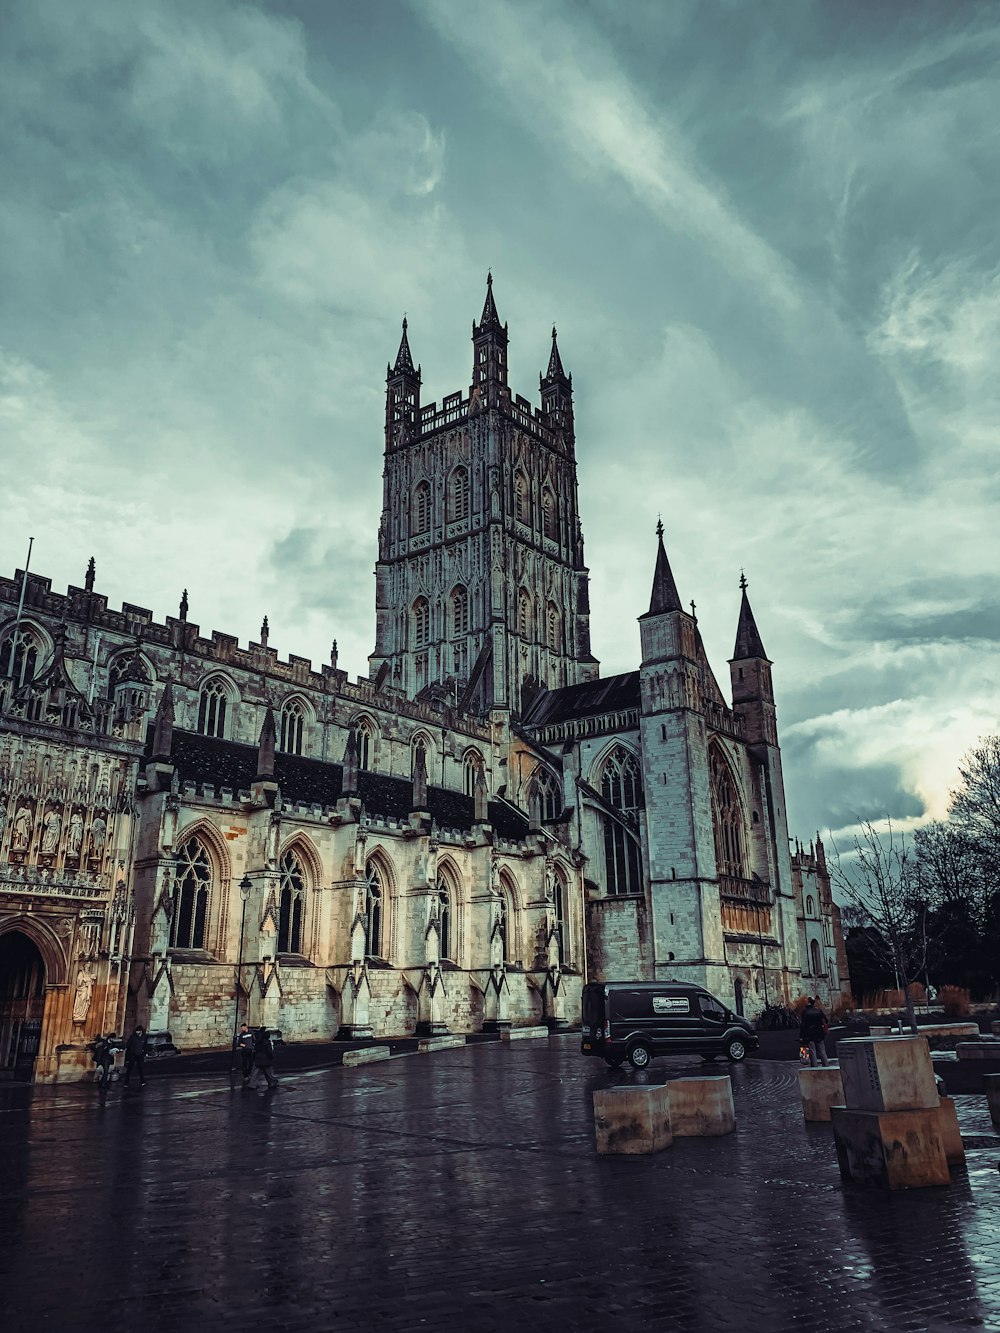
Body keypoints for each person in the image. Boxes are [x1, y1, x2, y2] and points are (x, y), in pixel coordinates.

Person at [799, 997, 830, 1067]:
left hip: (809, 1035)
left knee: (812, 1052)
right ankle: (826, 1066)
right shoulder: (818, 1010)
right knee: (822, 1052)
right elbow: (825, 1021)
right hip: (819, 1034)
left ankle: (814, 1068)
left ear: (808, 1003)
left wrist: (801, 1036)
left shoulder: (805, 1012)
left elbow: (803, 1025)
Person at [248, 1026, 278, 1091]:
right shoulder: (267, 1042)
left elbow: (255, 1050)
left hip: (258, 1058)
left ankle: (252, 1084)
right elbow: (269, 1051)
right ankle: (272, 1083)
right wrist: (271, 1057)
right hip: (265, 1059)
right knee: (268, 1072)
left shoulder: (258, 1042)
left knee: (256, 1072)